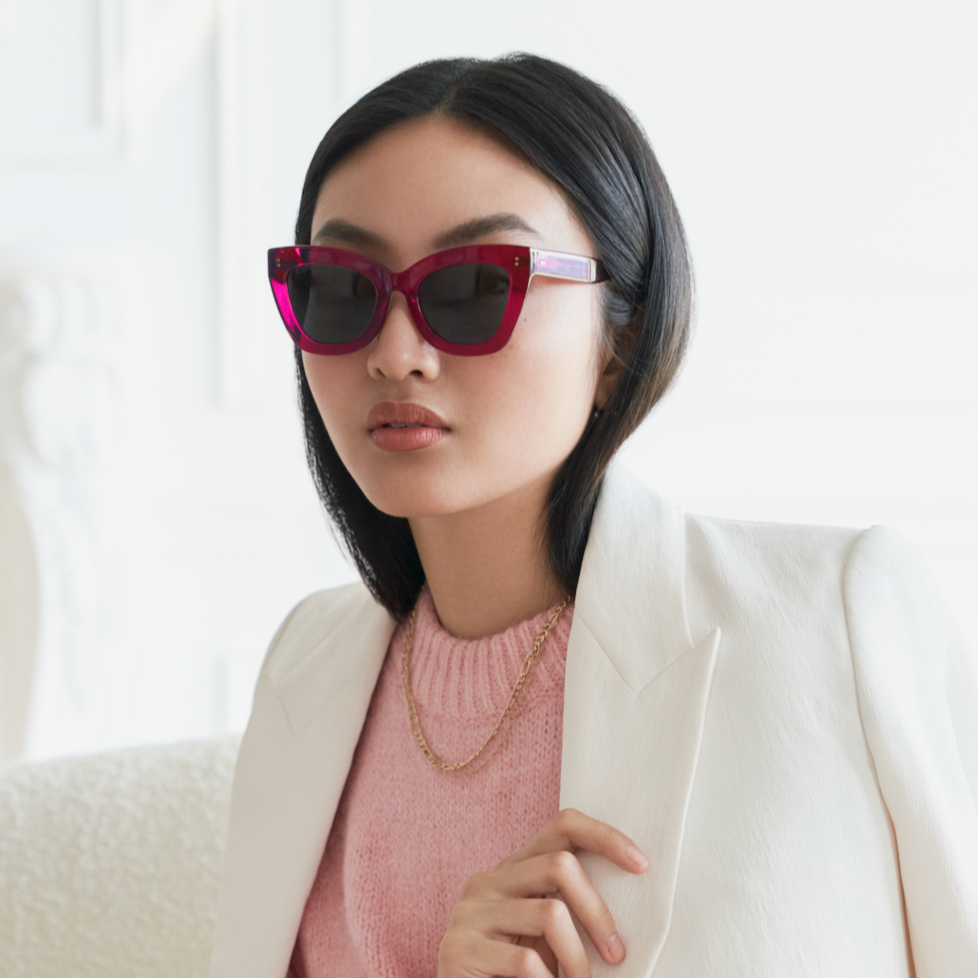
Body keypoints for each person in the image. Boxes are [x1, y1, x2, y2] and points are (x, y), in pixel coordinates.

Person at [210, 54, 978, 978]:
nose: (397, 352)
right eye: (341, 288)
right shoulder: (306, 666)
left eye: (473, 287)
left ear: (619, 335)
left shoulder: (833, 619)